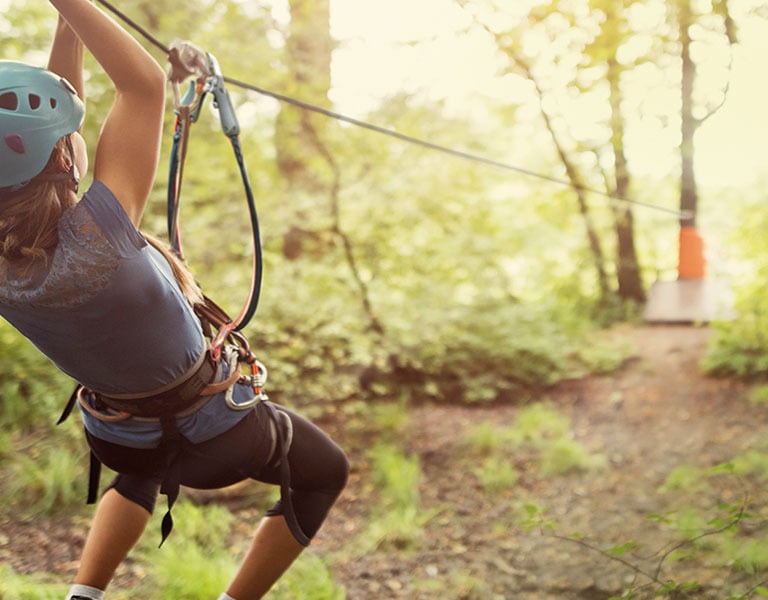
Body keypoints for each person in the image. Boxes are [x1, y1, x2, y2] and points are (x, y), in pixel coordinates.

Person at [0, 2, 349, 599]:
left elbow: (61, 142)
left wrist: (66, 29)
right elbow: (139, 86)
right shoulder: (95, 234)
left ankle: (83, 596)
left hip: (114, 432)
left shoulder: (18, 251)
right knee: (324, 472)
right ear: (63, 160)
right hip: (216, 438)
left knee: (139, 471)